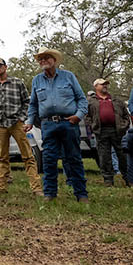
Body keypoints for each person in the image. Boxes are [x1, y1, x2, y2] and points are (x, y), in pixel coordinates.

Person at [25, 47, 89, 202]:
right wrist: (29, 121)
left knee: (73, 158)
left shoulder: (68, 77)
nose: (43, 61)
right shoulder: (37, 80)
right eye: (40, 59)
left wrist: (78, 116)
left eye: (46, 57)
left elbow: (81, 99)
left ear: (54, 60)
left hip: (68, 123)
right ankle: (50, 194)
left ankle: (81, 194)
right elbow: (33, 104)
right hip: (47, 125)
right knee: (48, 159)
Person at [0, 57, 42, 197]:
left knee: (28, 155)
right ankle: (1, 187)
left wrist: (22, 118)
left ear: (5, 67)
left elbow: (27, 102)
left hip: (17, 123)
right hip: (0, 125)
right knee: (2, 157)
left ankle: (36, 188)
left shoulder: (17, 82)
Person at [86, 78, 130, 187]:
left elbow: (126, 115)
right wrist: (93, 127)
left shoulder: (117, 100)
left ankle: (129, 178)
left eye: (106, 84)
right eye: (102, 84)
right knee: (104, 156)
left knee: (122, 155)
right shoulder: (91, 102)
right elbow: (87, 117)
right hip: (101, 132)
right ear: (96, 87)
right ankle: (108, 180)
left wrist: (123, 127)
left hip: (117, 131)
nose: (105, 86)